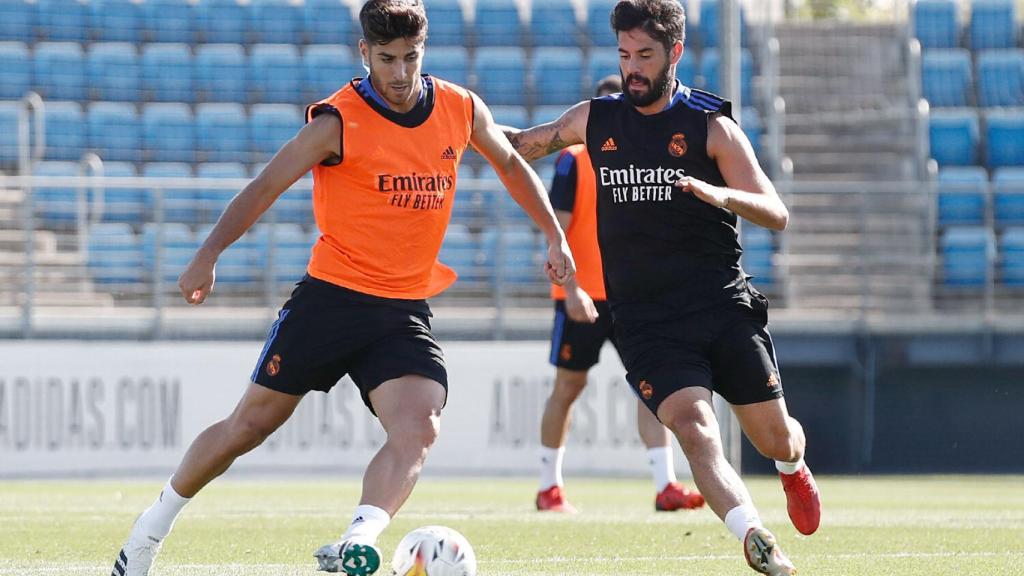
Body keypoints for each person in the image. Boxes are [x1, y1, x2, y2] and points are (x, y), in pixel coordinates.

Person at [109, 2, 574, 576]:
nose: (400, 73)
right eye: (386, 59)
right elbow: (266, 185)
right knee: (246, 428)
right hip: (331, 298)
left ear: (423, 50)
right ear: (365, 54)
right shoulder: (337, 121)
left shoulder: (459, 107)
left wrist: (554, 235)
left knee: (420, 424)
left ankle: (360, 537)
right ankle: (149, 530)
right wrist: (208, 254)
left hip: (403, 307)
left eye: (410, 57)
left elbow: (509, 164)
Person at [502, 1, 820, 574]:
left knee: (777, 440)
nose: (633, 69)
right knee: (696, 431)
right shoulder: (594, 119)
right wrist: (452, 127)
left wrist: (721, 195)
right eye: (624, 55)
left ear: (674, 53)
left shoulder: (711, 126)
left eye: (645, 55)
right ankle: (756, 537)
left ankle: (792, 469)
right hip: (648, 322)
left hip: (722, 307)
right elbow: (525, 143)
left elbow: (776, 211)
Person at [536, 74, 704, 515]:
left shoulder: (649, 156)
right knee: (568, 387)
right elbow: (556, 228)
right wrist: (569, 289)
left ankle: (665, 484)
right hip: (584, 294)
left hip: (635, 296)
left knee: (656, 390)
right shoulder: (574, 160)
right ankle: (548, 485)